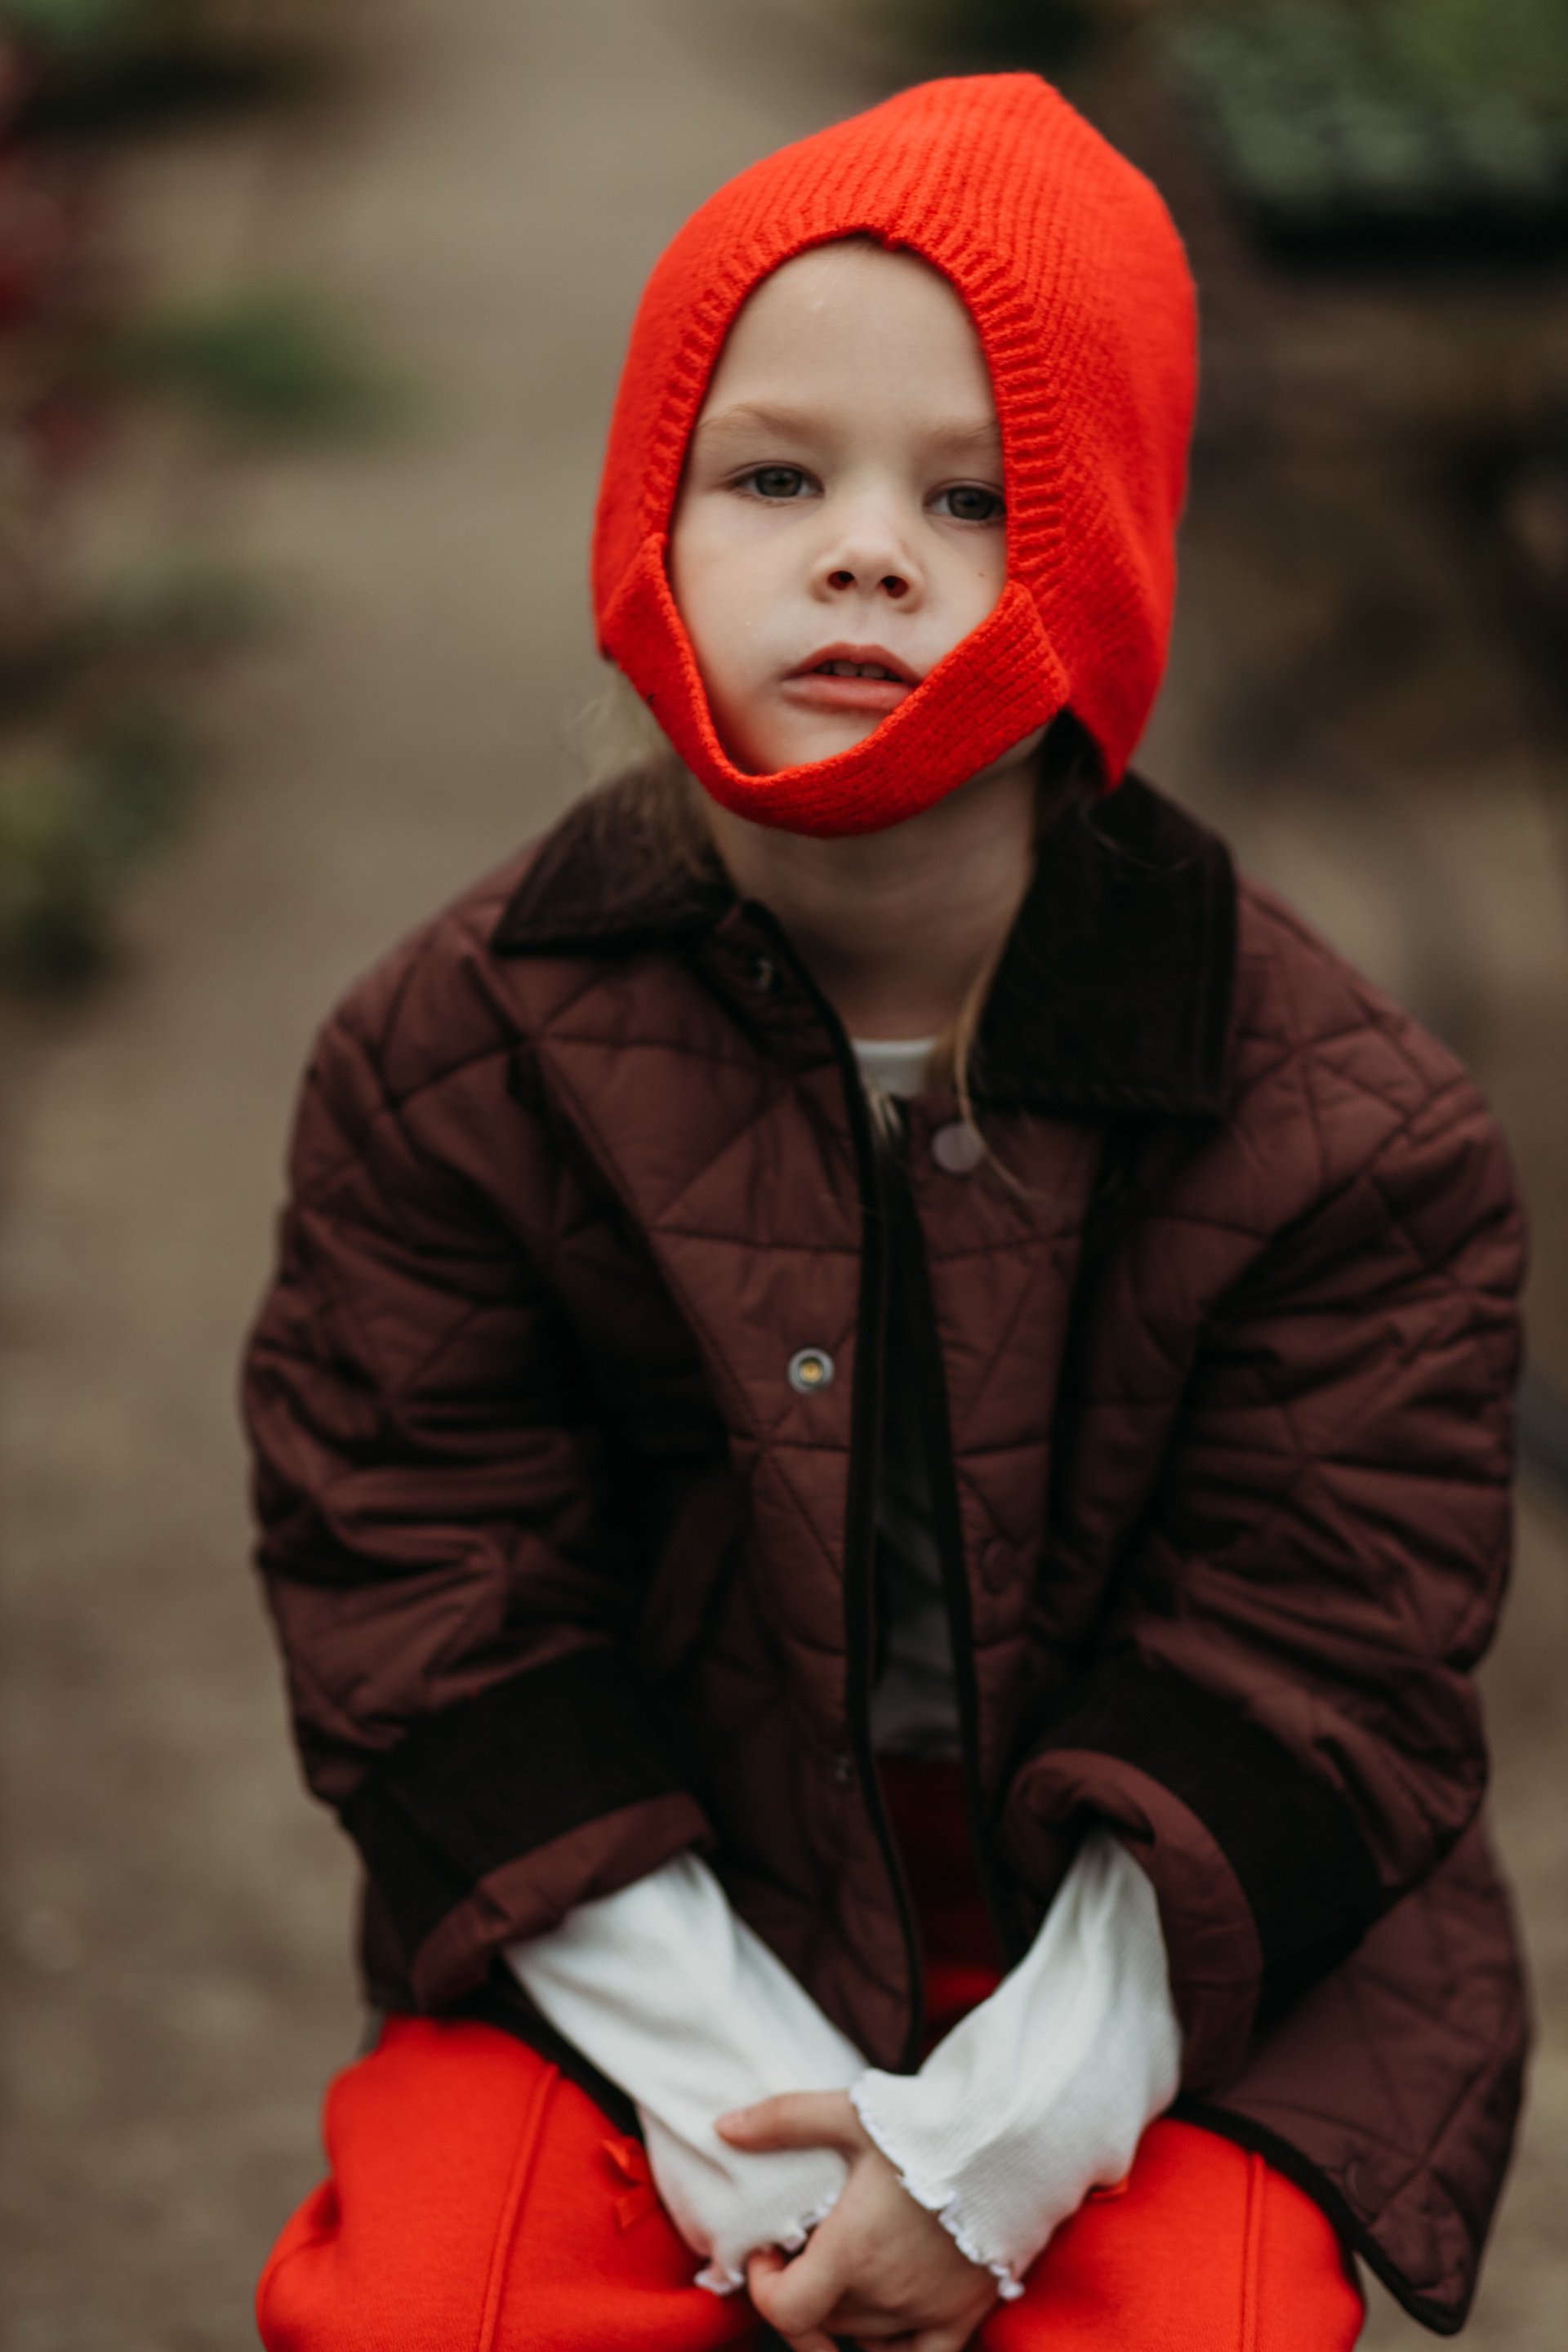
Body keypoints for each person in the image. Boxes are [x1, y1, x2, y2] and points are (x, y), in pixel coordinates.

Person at [244, 74, 1526, 2352]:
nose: (864, 553)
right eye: (776, 477)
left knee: (1201, 2325)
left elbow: (1320, 1659)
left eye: (976, 498)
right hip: (643, 1922)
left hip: (1174, 1974)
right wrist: (756, 2117)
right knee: (442, 2305)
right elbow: (424, 1590)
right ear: (650, 529)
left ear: (1105, 570)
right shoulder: (447, 1059)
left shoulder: (1349, 1129)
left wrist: (997, 2147)